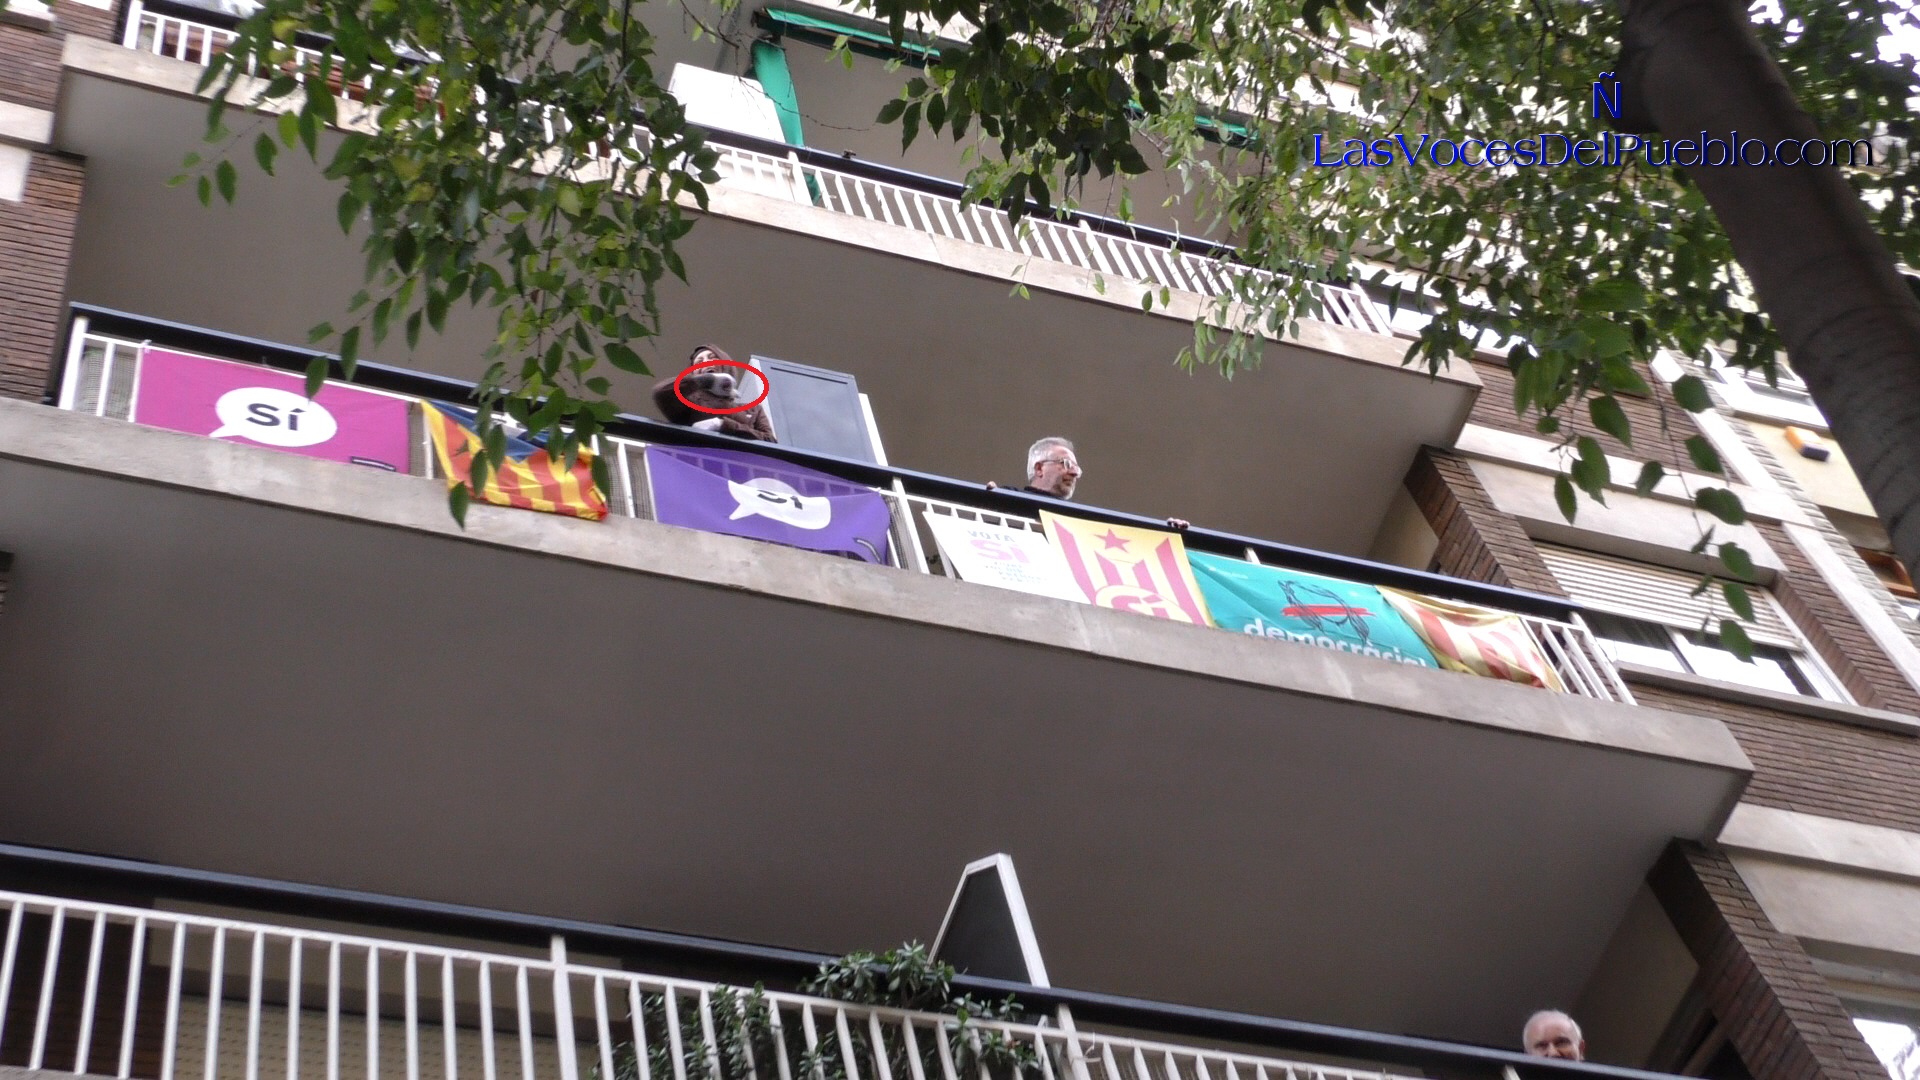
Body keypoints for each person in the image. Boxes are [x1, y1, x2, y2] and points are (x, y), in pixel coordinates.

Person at [988, 437, 1189, 529]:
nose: (1074, 473)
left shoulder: (1083, 517)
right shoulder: (1010, 497)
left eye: (1076, 467)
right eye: (1066, 464)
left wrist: (1170, 532)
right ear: (1039, 468)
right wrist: (988, 499)